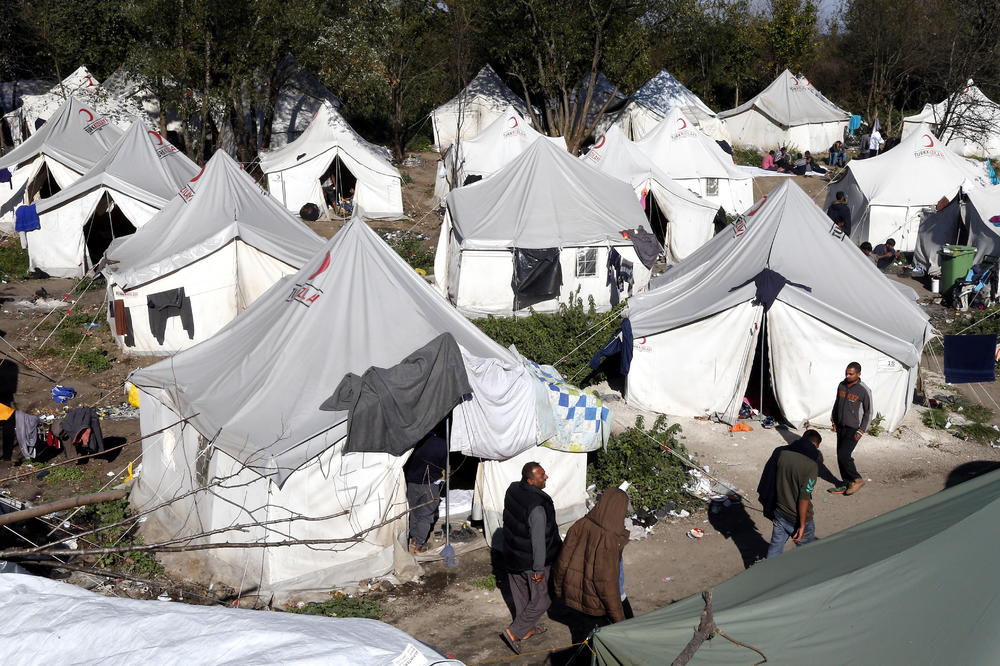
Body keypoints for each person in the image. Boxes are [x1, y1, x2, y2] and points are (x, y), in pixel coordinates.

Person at [499, 462, 562, 654]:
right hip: (530, 560)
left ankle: (526, 629)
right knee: (543, 598)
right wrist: (538, 569)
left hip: (512, 554)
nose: (546, 477)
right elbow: (538, 541)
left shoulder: (513, 489)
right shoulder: (537, 507)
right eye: (541, 476)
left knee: (522, 596)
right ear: (530, 480)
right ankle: (514, 632)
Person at [553, 488, 632, 628]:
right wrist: (619, 619)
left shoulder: (581, 523)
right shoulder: (609, 539)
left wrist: (558, 589)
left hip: (575, 595)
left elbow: (562, 561)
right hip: (595, 603)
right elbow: (606, 583)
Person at [758, 429, 822, 558]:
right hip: (797, 518)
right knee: (806, 554)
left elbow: (769, 479)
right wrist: (802, 524)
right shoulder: (811, 466)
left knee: (775, 548)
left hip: (779, 512)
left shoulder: (781, 453)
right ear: (815, 445)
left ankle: (768, 573)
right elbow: (804, 498)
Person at [829, 362, 872, 496]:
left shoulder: (864, 390)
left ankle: (857, 479)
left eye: (851, 374)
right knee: (840, 456)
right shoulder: (841, 385)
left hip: (854, 428)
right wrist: (834, 421)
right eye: (846, 373)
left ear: (858, 374)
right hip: (840, 426)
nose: (847, 375)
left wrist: (862, 430)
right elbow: (837, 403)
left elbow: (868, 412)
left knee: (844, 455)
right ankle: (847, 483)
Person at [403, 427, 448, 553]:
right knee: (426, 515)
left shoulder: (411, 442)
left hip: (411, 483)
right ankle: (419, 543)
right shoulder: (441, 444)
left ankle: (412, 538)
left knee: (413, 512)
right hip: (429, 484)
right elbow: (444, 465)